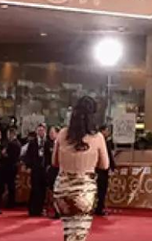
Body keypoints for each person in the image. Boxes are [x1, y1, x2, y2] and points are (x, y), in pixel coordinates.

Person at [52, 96, 109, 241]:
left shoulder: (62, 134)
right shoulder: (97, 137)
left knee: (70, 231)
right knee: (79, 233)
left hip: (62, 187)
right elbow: (105, 165)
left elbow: (54, 162)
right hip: (84, 189)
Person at [26, 124, 50, 216]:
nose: (41, 132)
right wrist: (29, 166)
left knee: (42, 190)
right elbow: (28, 155)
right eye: (39, 130)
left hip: (44, 170)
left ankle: (40, 209)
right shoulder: (32, 143)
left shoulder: (47, 142)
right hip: (35, 169)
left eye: (42, 130)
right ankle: (32, 209)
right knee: (35, 189)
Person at [94, 125, 116, 217]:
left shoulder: (106, 142)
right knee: (100, 189)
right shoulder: (99, 142)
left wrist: (112, 166)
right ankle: (98, 208)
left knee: (102, 189)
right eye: (106, 130)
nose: (107, 132)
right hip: (99, 169)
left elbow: (110, 155)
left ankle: (100, 207)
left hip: (104, 169)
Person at [4, 127, 22, 208]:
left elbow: (10, 156)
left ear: (11, 134)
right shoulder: (18, 143)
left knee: (10, 185)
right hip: (14, 166)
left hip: (10, 166)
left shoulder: (12, 144)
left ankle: (10, 202)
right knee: (12, 185)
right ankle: (11, 201)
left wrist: (4, 154)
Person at [46, 126, 61, 219]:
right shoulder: (48, 143)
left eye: (52, 132)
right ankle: (55, 210)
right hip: (52, 170)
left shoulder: (62, 144)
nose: (51, 135)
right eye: (50, 133)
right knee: (52, 190)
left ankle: (59, 210)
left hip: (60, 170)